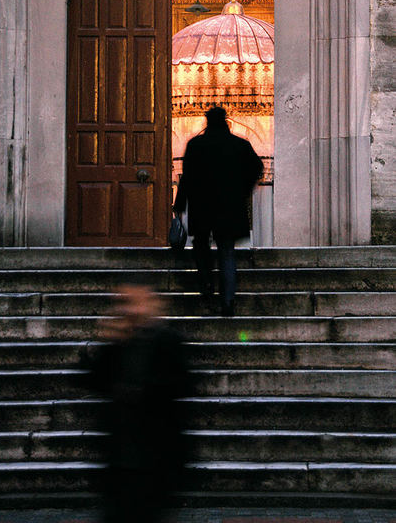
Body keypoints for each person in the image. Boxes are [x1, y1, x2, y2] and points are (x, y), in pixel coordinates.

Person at [83, 283, 190, 523]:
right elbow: (92, 380)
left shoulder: (167, 340)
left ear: (151, 303)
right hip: (121, 457)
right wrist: (109, 343)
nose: (128, 310)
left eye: (133, 302)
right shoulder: (118, 341)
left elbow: (182, 384)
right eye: (123, 303)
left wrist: (141, 391)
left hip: (155, 457)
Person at [174, 105, 263, 316]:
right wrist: (243, 189)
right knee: (227, 251)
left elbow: (186, 178)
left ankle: (206, 284)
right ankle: (228, 300)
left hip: (202, 206)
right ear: (225, 121)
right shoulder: (239, 144)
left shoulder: (196, 145)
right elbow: (257, 168)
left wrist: (179, 205)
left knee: (201, 246)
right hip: (229, 207)